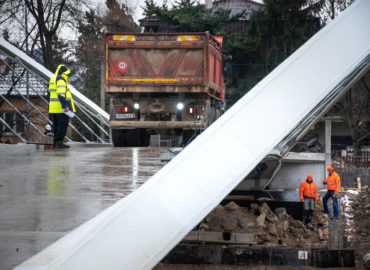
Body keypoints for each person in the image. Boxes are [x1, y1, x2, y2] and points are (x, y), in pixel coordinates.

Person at [48, 64, 76, 149]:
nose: (67, 75)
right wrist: (65, 106)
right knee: (63, 124)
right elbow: (61, 94)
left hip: (53, 107)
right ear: (63, 73)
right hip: (61, 108)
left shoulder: (53, 78)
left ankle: (56, 142)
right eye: (66, 74)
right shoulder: (61, 80)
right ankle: (59, 143)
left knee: (56, 125)